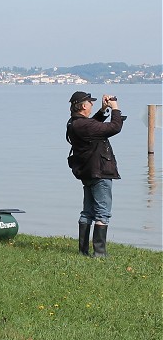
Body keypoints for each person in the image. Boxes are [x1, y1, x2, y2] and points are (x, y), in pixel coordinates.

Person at [66, 91, 123, 258]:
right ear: (84, 106)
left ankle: (83, 251)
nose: (91, 105)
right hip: (100, 173)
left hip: (88, 173)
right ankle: (99, 253)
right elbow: (115, 127)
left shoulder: (74, 123)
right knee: (102, 213)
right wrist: (115, 109)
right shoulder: (84, 126)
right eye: (90, 103)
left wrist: (102, 109)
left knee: (87, 212)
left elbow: (92, 126)